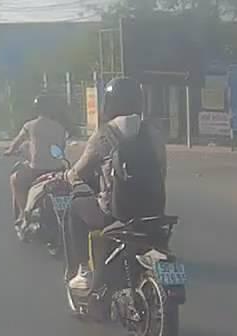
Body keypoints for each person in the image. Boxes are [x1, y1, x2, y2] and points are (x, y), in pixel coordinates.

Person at [64, 77, 168, 292]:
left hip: (115, 213)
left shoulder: (104, 135)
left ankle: (83, 271)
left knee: (74, 207)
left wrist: (68, 177)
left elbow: (78, 172)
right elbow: (162, 173)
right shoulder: (154, 135)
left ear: (109, 103)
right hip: (153, 212)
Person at [3, 95, 69, 225]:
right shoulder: (60, 127)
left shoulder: (30, 125)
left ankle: (23, 213)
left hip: (36, 170)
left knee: (15, 179)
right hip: (58, 169)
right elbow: (61, 148)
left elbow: (16, 143)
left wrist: (9, 151)